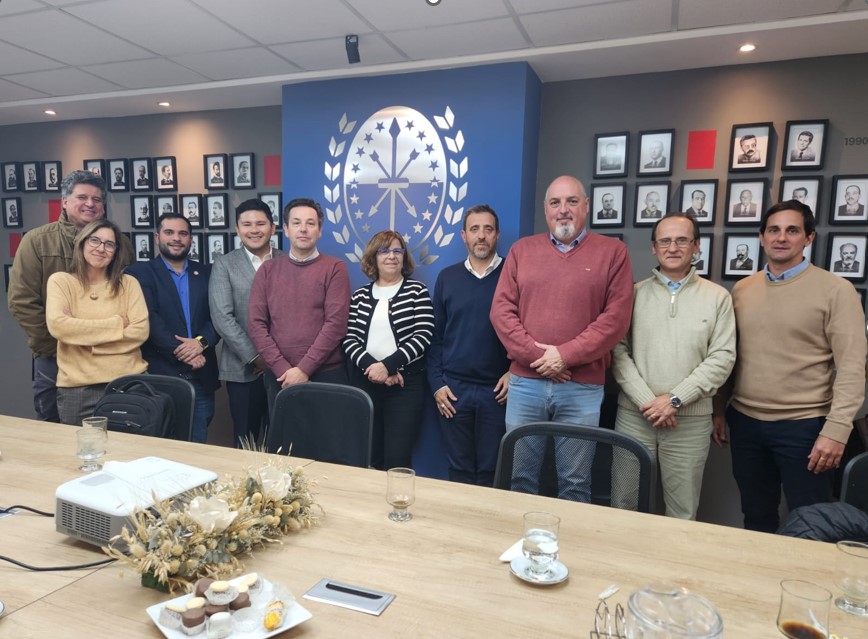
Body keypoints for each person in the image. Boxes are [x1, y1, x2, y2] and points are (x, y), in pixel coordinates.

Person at [713, 200, 867, 533]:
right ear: (762, 237)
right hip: (746, 423)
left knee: (812, 522)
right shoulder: (743, 289)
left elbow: (853, 367)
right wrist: (719, 409)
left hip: (805, 428)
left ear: (809, 238)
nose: (781, 237)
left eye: (792, 230)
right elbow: (731, 356)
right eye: (774, 230)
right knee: (756, 516)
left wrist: (836, 431)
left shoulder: (836, 291)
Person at [490, 175, 633, 501]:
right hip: (526, 384)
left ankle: (568, 537)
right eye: (555, 203)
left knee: (575, 482)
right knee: (520, 476)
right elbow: (501, 312)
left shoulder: (614, 253)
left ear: (586, 206)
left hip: (581, 389)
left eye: (572, 202)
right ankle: (523, 536)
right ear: (546, 209)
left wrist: (565, 356)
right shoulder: (521, 251)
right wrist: (541, 359)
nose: (563, 210)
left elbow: (615, 320)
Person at [612, 213, 735, 519]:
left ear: (696, 246)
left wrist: (674, 400)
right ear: (654, 247)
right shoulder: (633, 294)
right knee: (624, 504)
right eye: (664, 241)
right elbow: (617, 351)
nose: (673, 248)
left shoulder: (717, 297)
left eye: (682, 240)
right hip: (635, 418)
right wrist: (649, 403)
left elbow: (722, 358)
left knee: (682, 512)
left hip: (688, 423)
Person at [8, 170, 108, 422]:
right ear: (64, 201)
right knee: (52, 426)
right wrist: (55, 346)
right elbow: (21, 301)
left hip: (105, 356)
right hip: (55, 357)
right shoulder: (36, 241)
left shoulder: (119, 244)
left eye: (96, 199)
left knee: (106, 425)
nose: (90, 204)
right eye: (82, 197)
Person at [428, 205, 509, 486]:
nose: (481, 236)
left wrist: (515, 372)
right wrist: (437, 384)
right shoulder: (447, 277)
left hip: (497, 392)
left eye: (488, 229)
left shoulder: (513, 274)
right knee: (459, 469)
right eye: (474, 229)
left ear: (497, 235)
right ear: (464, 236)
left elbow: (527, 330)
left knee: (492, 471)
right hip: (454, 391)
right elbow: (435, 337)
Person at [248, 197, 350, 416]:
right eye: (296, 223)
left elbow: (336, 324)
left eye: (310, 223)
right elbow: (256, 324)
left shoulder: (335, 268)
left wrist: (303, 369)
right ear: (286, 229)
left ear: (319, 230)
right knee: (285, 437)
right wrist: (284, 369)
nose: (303, 229)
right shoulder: (267, 270)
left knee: (328, 437)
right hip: (280, 376)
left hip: (327, 374)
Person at [127, 213, 220, 444]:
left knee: (197, 441)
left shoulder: (207, 273)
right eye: (169, 232)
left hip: (201, 375)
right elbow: (149, 319)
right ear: (157, 237)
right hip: (160, 375)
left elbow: (218, 317)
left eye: (183, 233)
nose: (176, 238)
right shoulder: (138, 274)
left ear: (191, 239)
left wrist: (200, 343)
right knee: (161, 444)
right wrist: (186, 353)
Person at [344, 230, 433, 470]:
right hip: (365, 385)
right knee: (369, 456)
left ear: (404, 256)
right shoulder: (360, 295)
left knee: (397, 458)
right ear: (374, 257)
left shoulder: (417, 291)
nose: (391, 256)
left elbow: (424, 334)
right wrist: (375, 370)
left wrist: (388, 366)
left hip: (404, 387)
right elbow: (349, 339)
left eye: (397, 250)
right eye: (384, 251)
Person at [45, 219, 148, 425]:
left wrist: (83, 338)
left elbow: (140, 331)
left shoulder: (129, 284)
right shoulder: (61, 282)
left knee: (131, 445)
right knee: (79, 444)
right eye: (95, 240)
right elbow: (59, 326)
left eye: (109, 244)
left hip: (128, 383)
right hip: (78, 388)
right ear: (82, 243)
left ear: (116, 251)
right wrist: (118, 324)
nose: (101, 248)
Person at [210, 199, 283, 447]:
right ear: (237, 229)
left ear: (272, 227)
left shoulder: (287, 261)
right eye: (247, 224)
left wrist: (274, 358)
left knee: (282, 438)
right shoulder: (224, 264)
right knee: (245, 441)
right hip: (243, 369)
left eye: (260, 223)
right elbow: (222, 317)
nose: (254, 230)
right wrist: (255, 357)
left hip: (284, 368)